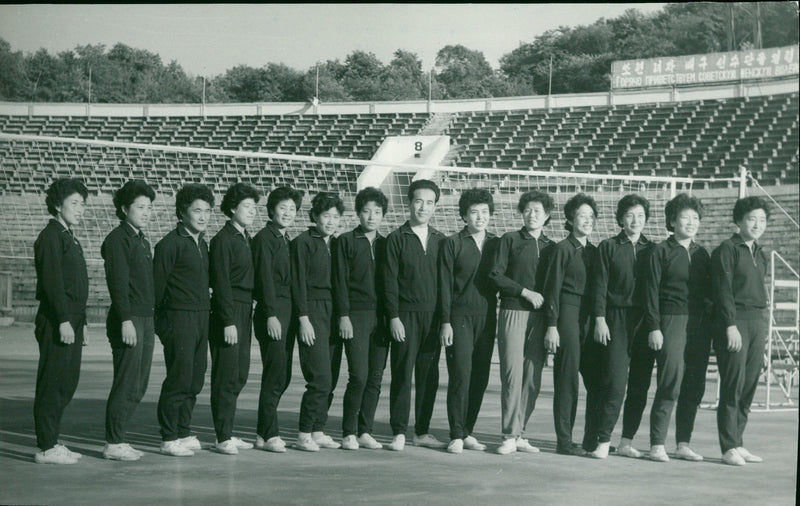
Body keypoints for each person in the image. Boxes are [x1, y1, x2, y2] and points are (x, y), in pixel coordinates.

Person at [620, 193, 711, 462]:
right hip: (668, 320)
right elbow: (650, 294)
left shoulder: (702, 254)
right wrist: (654, 327)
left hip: (697, 325)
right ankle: (657, 443)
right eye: (685, 218)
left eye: (695, 218)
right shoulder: (660, 251)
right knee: (669, 381)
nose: (691, 222)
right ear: (672, 221)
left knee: (693, 386)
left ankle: (683, 442)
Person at [588, 194, 654, 459]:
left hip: (644, 321)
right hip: (615, 319)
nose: (635, 220)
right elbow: (599, 286)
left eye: (639, 215)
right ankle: (603, 440)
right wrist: (600, 318)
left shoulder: (653, 249)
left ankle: (626, 441)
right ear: (620, 219)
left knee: (640, 383)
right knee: (615, 382)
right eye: (630, 215)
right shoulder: (609, 246)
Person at [383, 179, 446, 451]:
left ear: (435, 207)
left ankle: (421, 431)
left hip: (432, 319)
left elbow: (446, 285)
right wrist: (394, 316)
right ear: (409, 203)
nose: (423, 207)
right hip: (405, 317)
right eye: (418, 201)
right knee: (402, 374)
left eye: (429, 202)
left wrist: (445, 320)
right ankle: (398, 431)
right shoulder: (396, 239)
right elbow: (389, 282)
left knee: (428, 377)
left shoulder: (441, 240)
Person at [490, 190, 554, 456]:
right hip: (514, 311)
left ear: (547, 215)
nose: (532, 214)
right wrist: (524, 292)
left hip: (540, 319)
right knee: (512, 376)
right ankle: (508, 434)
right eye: (527, 209)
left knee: (531, 378)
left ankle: (520, 433)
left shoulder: (552, 247)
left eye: (538, 210)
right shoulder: (510, 239)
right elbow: (495, 274)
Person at [153, 183, 214, 457]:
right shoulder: (169, 244)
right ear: (182, 212)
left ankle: (183, 429)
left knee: (195, 378)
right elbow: (157, 289)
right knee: (178, 378)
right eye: (196, 210)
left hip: (202, 318)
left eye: (207, 211)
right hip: (179, 318)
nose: (202, 216)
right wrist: (165, 327)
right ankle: (168, 437)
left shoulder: (203, 243)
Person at [33, 178, 89, 465]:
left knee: (67, 382)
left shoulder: (69, 236)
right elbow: (53, 283)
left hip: (73, 321)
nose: (80, 210)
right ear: (58, 205)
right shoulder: (51, 236)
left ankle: (52, 439)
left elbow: (78, 285)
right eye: (74, 204)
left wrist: (84, 322)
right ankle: (46, 446)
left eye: (83, 204)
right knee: (52, 383)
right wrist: (64, 321)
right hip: (57, 321)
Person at [438, 189, 499, 454]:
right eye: (474, 212)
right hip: (459, 316)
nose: (480, 217)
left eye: (485, 212)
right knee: (460, 375)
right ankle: (455, 433)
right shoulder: (453, 243)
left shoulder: (497, 243)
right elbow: (444, 285)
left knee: (480, 377)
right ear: (464, 215)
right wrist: (446, 321)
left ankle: (468, 430)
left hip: (487, 317)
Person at [712, 197, 770, 466]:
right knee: (733, 384)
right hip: (735, 320)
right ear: (739, 221)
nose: (757, 224)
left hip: (757, 320)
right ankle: (727, 446)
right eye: (751, 219)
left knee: (748, 386)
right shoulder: (727, 249)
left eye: (762, 220)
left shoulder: (761, 252)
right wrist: (729, 325)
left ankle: (738, 441)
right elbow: (722, 291)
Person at [330, 187, 390, 450]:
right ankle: (348, 432)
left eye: (377, 212)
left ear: (383, 215)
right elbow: (339, 282)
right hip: (355, 314)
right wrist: (343, 315)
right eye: (366, 211)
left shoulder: (386, 243)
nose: (371, 216)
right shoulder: (345, 241)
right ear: (358, 213)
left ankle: (365, 430)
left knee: (376, 377)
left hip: (382, 317)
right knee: (359, 375)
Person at [101, 180, 156, 462]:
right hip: (129, 318)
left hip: (146, 318)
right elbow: (118, 284)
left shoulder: (141, 239)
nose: (146, 212)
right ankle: (114, 441)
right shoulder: (116, 240)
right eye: (140, 207)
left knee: (139, 384)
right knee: (126, 381)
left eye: (149, 207)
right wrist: (125, 320)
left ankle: (120, 437)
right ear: (124, 208)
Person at [542, 193, 599, 456]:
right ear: (570, 219)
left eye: (590, 216)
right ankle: (564, 442)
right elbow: (551, 289)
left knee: (597, 381)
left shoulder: (595, 251)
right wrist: (552, 325)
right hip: (566, 313)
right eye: (581, 216)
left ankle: (590, 440)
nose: (586, 220)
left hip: (589, 318)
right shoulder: (562, 249)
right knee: (567, 381)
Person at [208, 183, 259, 455]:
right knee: (226, 374)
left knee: (240, 373)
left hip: (244, 308)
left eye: (254, 207)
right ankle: (222, 436)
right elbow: (221, 282)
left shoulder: (245, 237)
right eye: (246, 207)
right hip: (228, 311)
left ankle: (227, 430)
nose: (251, 211)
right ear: (231, 209)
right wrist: (228, 319)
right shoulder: (223, 240)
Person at [291, 192, 344, 451]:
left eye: (336, 217)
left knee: (331, 377)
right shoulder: (303, 242)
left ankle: (318, 429)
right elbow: (297, 282)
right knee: (319, 377)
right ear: (314, 217)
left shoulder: (336, 243)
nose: (331, 221)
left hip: (333, 311)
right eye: (326, 216)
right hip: (312, 310)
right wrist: (304, 318)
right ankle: (303, 433)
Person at [252, 186, 303, 453]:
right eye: (282, 208)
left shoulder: (285, 239)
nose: (287, 213)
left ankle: (263, 431)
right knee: (274, 375)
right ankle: (269, 433)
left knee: (283, 375)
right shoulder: (264, 238)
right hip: (272, 312)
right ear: (271, 210)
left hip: (287, 310)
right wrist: (271, 314)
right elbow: (264, 280)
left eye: (292, 209)